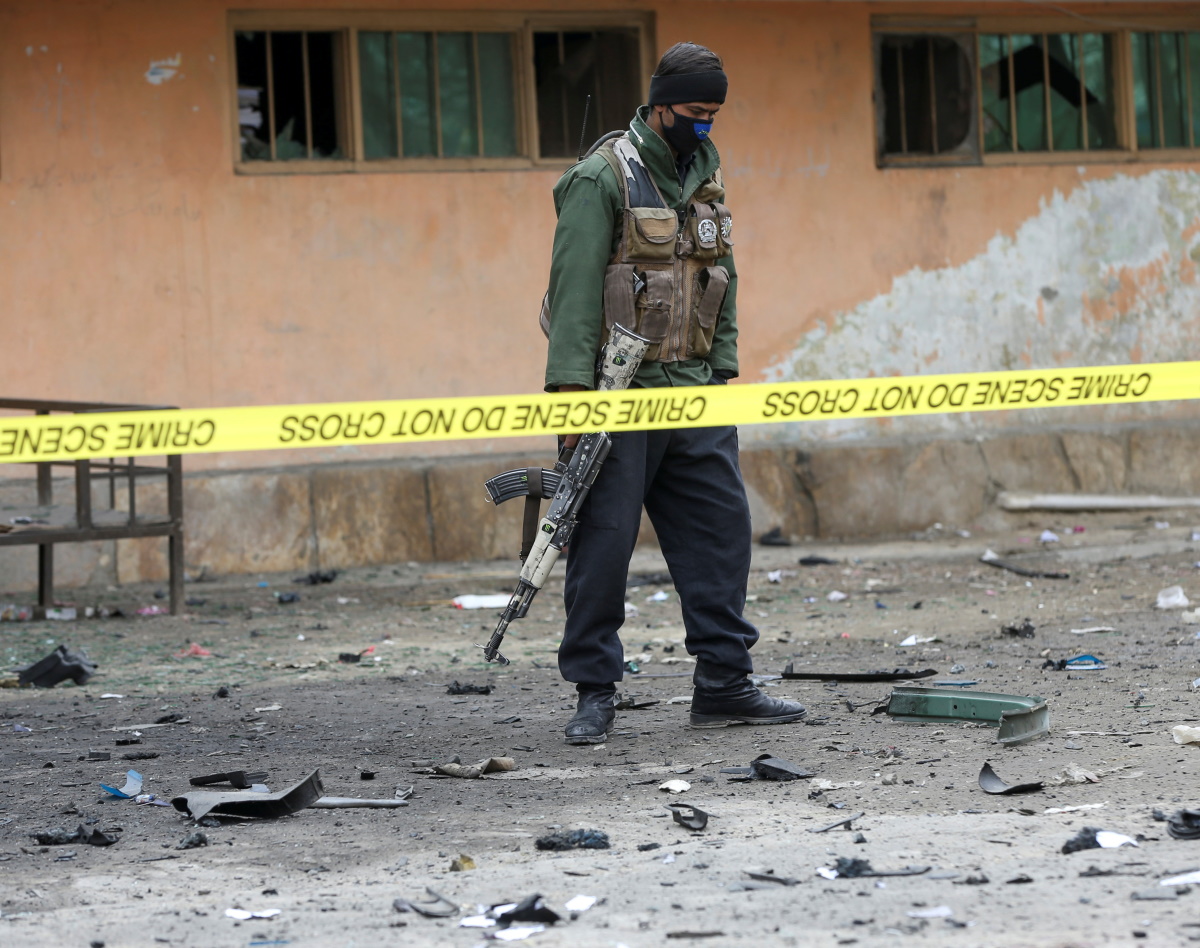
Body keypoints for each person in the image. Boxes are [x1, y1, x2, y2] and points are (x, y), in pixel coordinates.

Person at [541, 41, 807, 745]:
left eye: (714, 113)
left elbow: (723, 278)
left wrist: (722, 373)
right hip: (617, 397)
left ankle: (724, 683)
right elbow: (573, 298)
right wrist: (571, 402)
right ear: (660, 106)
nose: (704, 124)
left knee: (722, 536)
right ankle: (595, 691)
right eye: (694, 112)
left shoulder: (706, 176)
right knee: (603, 548)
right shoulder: (602, 177)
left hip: (693, 392)